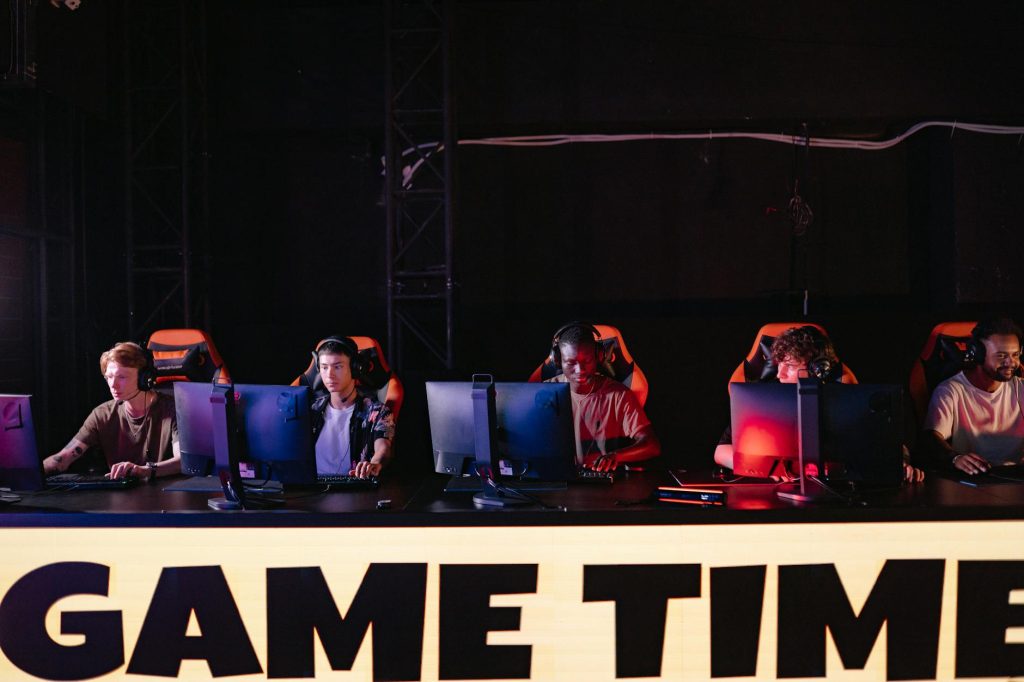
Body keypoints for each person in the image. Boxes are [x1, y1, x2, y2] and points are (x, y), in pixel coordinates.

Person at [715, 325, 925, 483]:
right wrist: (767, 469)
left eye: (789, 366)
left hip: (833, 493)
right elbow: (721, 451)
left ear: (817, 369)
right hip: (777, 493)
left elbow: (891, 444)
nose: (779, 374)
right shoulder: (762, 400)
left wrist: (901, 462)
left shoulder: (843, 398)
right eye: (779, 365)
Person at [43, 342, 180, 481]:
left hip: (167, 491)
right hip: (121, 494)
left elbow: (182, 461)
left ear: (144, 378)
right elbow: (63, 458)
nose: (113, 385)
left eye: (122, 377)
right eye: (109, 377)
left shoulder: (173, 408)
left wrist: (143, 471)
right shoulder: (102, 414)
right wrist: (34, 471)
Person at [545, 324, 660, 472]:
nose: (580, 370)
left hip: (603, 480)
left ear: (599, 357)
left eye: (587, 361)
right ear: (557, 360)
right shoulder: (544, 393)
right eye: (571, 363)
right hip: (557, 479)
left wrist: (615, 456)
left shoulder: (618, 395)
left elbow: (652, 445)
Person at [923, 316, 1024, 475]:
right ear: (978, 354)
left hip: (1015, 477)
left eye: (1015, 355)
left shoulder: (1021, 388)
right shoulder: (950, 391)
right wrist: (955, 458)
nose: (1011, 363)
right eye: (1001, 356)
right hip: (973, 477)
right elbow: (931, 438)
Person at [310, 337, 395, 478]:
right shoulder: (309, 410)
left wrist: (375, 464)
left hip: (352, 486)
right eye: (324, 367)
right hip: (309, 487)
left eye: (337, 367)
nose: (329, 375)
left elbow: (384, 449)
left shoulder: (377, 412)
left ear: (355, 369)